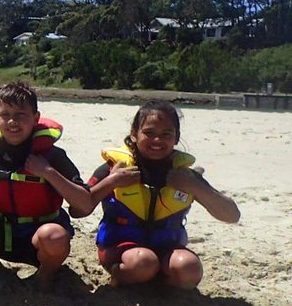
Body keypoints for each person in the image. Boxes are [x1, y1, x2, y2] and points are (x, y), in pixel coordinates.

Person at [0, 81, 92, 286]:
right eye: (5, 115)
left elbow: (84, 204)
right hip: (2, 235)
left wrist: (47, 172)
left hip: (40, 242)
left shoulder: (51, 156)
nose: (12, 121)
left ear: (36, 118)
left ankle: (43, 278)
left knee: (54, 236)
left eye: (21, 115)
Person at [76, 100, 240, 288]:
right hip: (121, 250)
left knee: (190, 269)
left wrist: (195, 186)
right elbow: (79, 210)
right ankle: (121, 277)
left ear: (176, 138)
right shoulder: (115, 168)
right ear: (134, 134)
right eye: (149, 133)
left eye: (166, 134)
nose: (157, 140)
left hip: (166, 249)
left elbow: (232, 216)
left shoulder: (185, 175)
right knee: (143, 262)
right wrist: (111, 182)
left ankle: (157, 282)